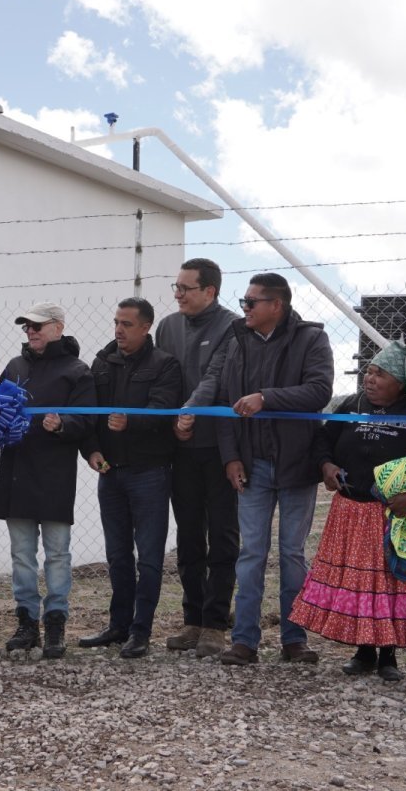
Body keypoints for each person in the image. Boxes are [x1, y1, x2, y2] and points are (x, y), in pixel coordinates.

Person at [289, 341, 406, 681]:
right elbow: (323, 440)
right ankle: (363, 652)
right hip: (351, 511)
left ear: (401, 383)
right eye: (369, 372)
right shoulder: (352, 405)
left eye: (380, 374)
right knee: (360, 582)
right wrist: (326, 465)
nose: (370, 379)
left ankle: (388, 655)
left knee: (390, 582)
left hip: (393, 514)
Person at [216, 272, 334, 666]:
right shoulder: (238, 341)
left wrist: (266, 398)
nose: (245, 308)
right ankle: (244, 641)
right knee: (251, 553)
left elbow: (319, 391)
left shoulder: (312, 339)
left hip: (297, 466)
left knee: (292, 554)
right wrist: (231, 457)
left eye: (251, 302)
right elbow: (227, 404)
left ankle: (294, 639)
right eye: (244, 301)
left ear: (276, 305)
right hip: (252, 466)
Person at [78, 298, 182, 658]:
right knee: (118, 555)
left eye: (126, 324)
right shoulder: (102, 362)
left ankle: (141, 631)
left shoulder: (165, 365)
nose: (119, 330)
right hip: (110, 473)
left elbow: (163, 410)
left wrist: (131, 421)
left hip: (149, 473)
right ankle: (118, 626)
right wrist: (91, 450)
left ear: (146, 327)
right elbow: (89, 414)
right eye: (116, 322)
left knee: (149, 557)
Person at [0, 302, 95, 658]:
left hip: (55, 474)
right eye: (27, 327)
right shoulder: (14, 367)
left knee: (57, 554)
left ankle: (55, 622)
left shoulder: (77, 371)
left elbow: (87, 420)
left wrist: (64, 424)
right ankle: (26, 622)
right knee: (21, 555)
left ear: (58, 328)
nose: (31, 331)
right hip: (16, 471)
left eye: (37, 325)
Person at [153, 258, 240, 658]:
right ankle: (192, 619)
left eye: (185, 288)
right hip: (180, 448)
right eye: (176, 287)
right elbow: (162, 378)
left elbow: (216, 378)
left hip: (220, 448)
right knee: (188, 537)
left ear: (210, 291)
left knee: (222, 536)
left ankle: (216, 624)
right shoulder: (167, 327)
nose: (178, 295)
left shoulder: (232, 326)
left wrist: (188, 412)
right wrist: (173, 422)